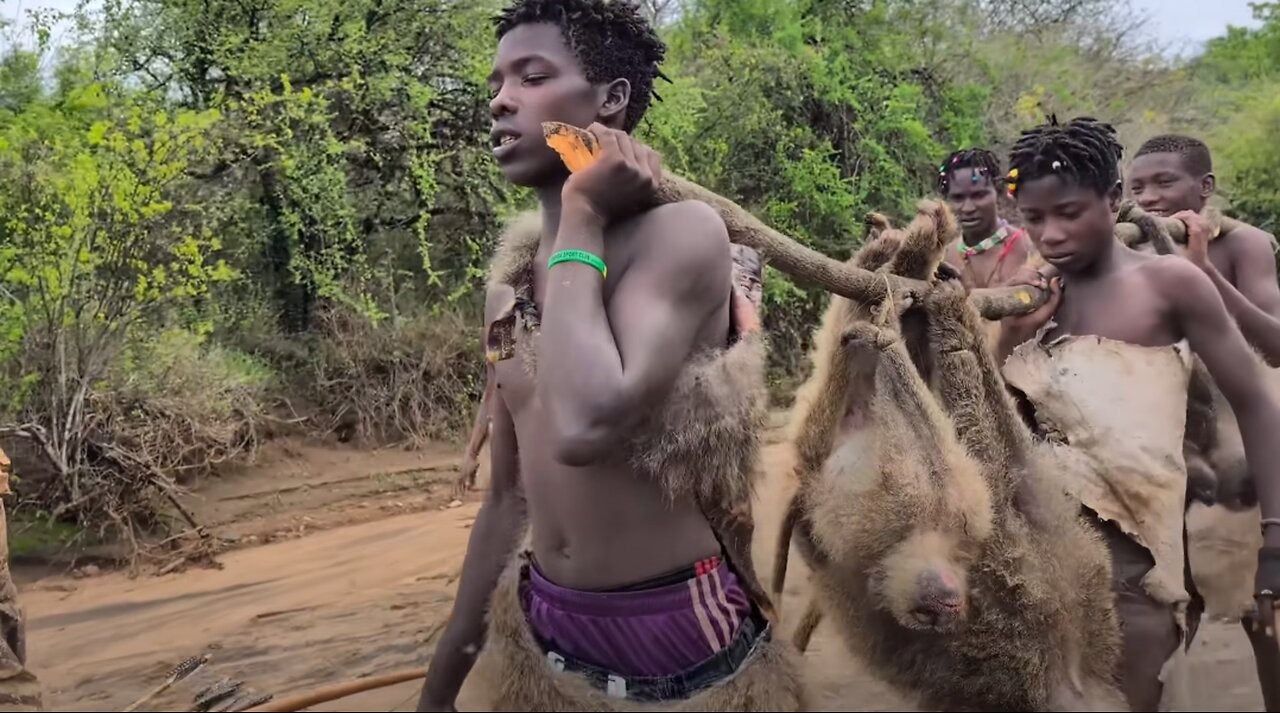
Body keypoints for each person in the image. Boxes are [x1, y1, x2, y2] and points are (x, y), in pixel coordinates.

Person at [415, 1, 802, 710]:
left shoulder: (682, 237)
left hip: (680, 642)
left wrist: (584, 215)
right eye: (496, 82)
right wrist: (440, 685)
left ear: (610, 100)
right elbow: (507, 497)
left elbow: (585, 425)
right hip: (547, 630)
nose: (501, 100)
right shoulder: (507, 292)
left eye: (532, 77)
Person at [993, 116, 1280, 711]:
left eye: (1069, 213)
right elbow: (996, 431)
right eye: (1034, 219)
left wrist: (1275, 539)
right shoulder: (1033, 298)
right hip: (1041, 563)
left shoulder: (1168, 282)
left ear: (1112, 200)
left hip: (1140, 567)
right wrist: (1009, 338)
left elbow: (1254, 400)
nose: (1051, 234)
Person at [1128, 134, 1280, 365]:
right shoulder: (1127, 247)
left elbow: (1275, 350)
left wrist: (1204, 271)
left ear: (1206, 186)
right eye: (1137, 189)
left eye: (1165, 183)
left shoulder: (1242, 242)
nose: (1147, 198)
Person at [937, 148, 1035, 290]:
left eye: (979, 195)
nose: (968, 208)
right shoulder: (945, 258)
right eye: (958, 198)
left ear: (999, 192)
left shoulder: (1027, 247)